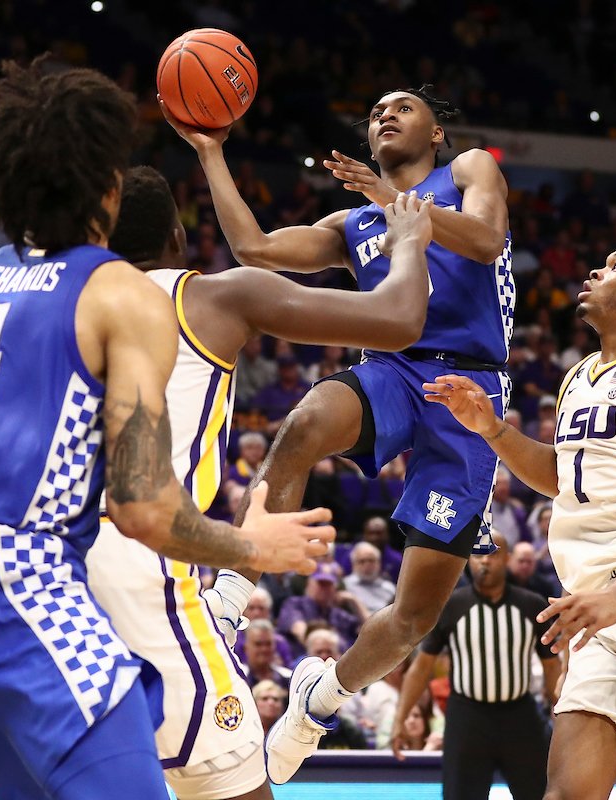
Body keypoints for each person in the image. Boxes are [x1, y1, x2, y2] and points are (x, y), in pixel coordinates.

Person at [0, 58, 332, 800]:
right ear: (108, 191)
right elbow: (142, 508)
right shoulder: (114, 289)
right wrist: (253, 548)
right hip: (20, 582)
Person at [164, 84, 515, 782]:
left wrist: (399, 208)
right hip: (392, 369)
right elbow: (255, 248)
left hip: (469, 391)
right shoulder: (355, 222)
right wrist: (210, 152)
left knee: (417, 613)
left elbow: (484, 238)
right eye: (376, 109)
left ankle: (321, 698)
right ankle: (233, 593)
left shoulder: (470, 168)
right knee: (304, 424)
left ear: (437, 132)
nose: (386, 113)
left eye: (404, 106)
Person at [85, 165, 433, 800]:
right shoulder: (213, 296)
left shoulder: (63, 307)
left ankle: (226, 601)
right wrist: (408, 239)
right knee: (236, 787)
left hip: (49, 573)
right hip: (145, 562)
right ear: (177, 237)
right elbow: (401, 319)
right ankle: (225, 600)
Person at [427, 240, 616, 800]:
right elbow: (562, 478)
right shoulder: (580, 375)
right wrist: (493, 430)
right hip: (596, 604)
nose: (598, 268)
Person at [393, 533, 558, 800]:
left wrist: (558, 712)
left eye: (493, 554)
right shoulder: (451, 606)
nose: (485, 562)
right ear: (468, 560)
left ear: (507, 559)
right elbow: (421, 667)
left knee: (539, 794)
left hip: (520, 717)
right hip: (467, 718)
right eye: (478, 554)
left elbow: (552, 667)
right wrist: (399, 718)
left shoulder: (531, 605)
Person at [344, 541, 397, 615]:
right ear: (353, 565)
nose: (367, 566)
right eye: (362, 561)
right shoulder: (345, 586)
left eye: (371, 561)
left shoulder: (390, 589)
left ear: (379, 564)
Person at [244, 620, 292, 690]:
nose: (264, 649)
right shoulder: (237, 678)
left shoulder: (288, 679)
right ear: (246, 647)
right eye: (258, 644)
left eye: (268, 644)